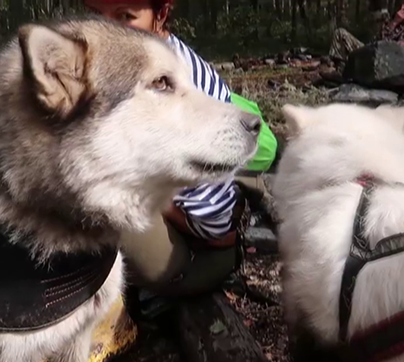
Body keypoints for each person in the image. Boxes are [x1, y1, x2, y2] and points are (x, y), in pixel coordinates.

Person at [85, 0, 275, 305]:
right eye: (96, 15)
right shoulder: (145, 63)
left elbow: (217, 231)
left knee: (94, 194)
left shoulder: (172, 79)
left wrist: (158, 204)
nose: (106, 31)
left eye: (125, 16)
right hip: (196, 223)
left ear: (160, 14)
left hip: (202, 252)